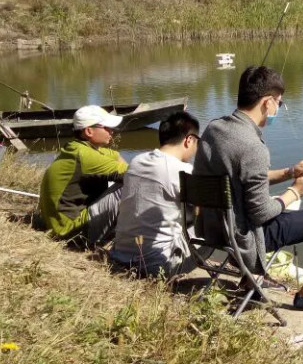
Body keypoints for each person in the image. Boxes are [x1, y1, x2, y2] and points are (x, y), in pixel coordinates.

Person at [193, 65, 303, 319]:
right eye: (279, 102)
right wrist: (294, 192)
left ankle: (248, 281)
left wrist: (290, 171)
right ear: (267, 102)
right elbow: (261, 213)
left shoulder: (214, 129)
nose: (278, 107)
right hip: (244, 237)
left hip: (211, 228)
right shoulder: (253, 147)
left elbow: (241, 178)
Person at [109, 111, 202, 278]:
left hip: (119, 256)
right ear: (189, 140)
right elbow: (205, 212)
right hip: (157, 265)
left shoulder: (137, 161)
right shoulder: (184, 171)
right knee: (214, 226)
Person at [38, 105, 127, 249]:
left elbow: (115, 155)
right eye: (107, 127)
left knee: (125, 180)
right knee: (127, 186)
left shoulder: (79, 148)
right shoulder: (85, 156)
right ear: (89, 131)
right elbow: (136, 174)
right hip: (71, 233)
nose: (112, 131)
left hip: (61, 225)